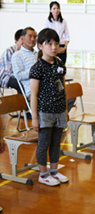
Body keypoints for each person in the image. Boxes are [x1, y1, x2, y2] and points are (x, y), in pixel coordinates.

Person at [30, 28, 69, 186]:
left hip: (60, 110)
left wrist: (66, 110)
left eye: (56, 44)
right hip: (45, 112)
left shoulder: (60, 63)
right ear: (40, 46)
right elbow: (33, 94)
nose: (54, 47)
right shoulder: (37, 68)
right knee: (44, 142)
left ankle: (54, 170)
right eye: (49, 44)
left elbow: (64, 87)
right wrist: (34, 118)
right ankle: (43, 174)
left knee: (56, 142)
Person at [12, 27, 37, 99]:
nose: (32, 39)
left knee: (69, 96)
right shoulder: (17, 55)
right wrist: (35, 71)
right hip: (32, 91)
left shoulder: (38, 54)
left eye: (35, 37)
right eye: (30, 36)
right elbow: (18, 75)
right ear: (22, 38)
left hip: (45, 88)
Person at [0, 29, 23, 94]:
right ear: (16, 40)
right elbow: (8, 72)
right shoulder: (9, 52)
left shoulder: (26, 53)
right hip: (5, 77)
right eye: (22, 39)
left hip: (20, 76)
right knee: (21, 84)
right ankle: (23, 103)